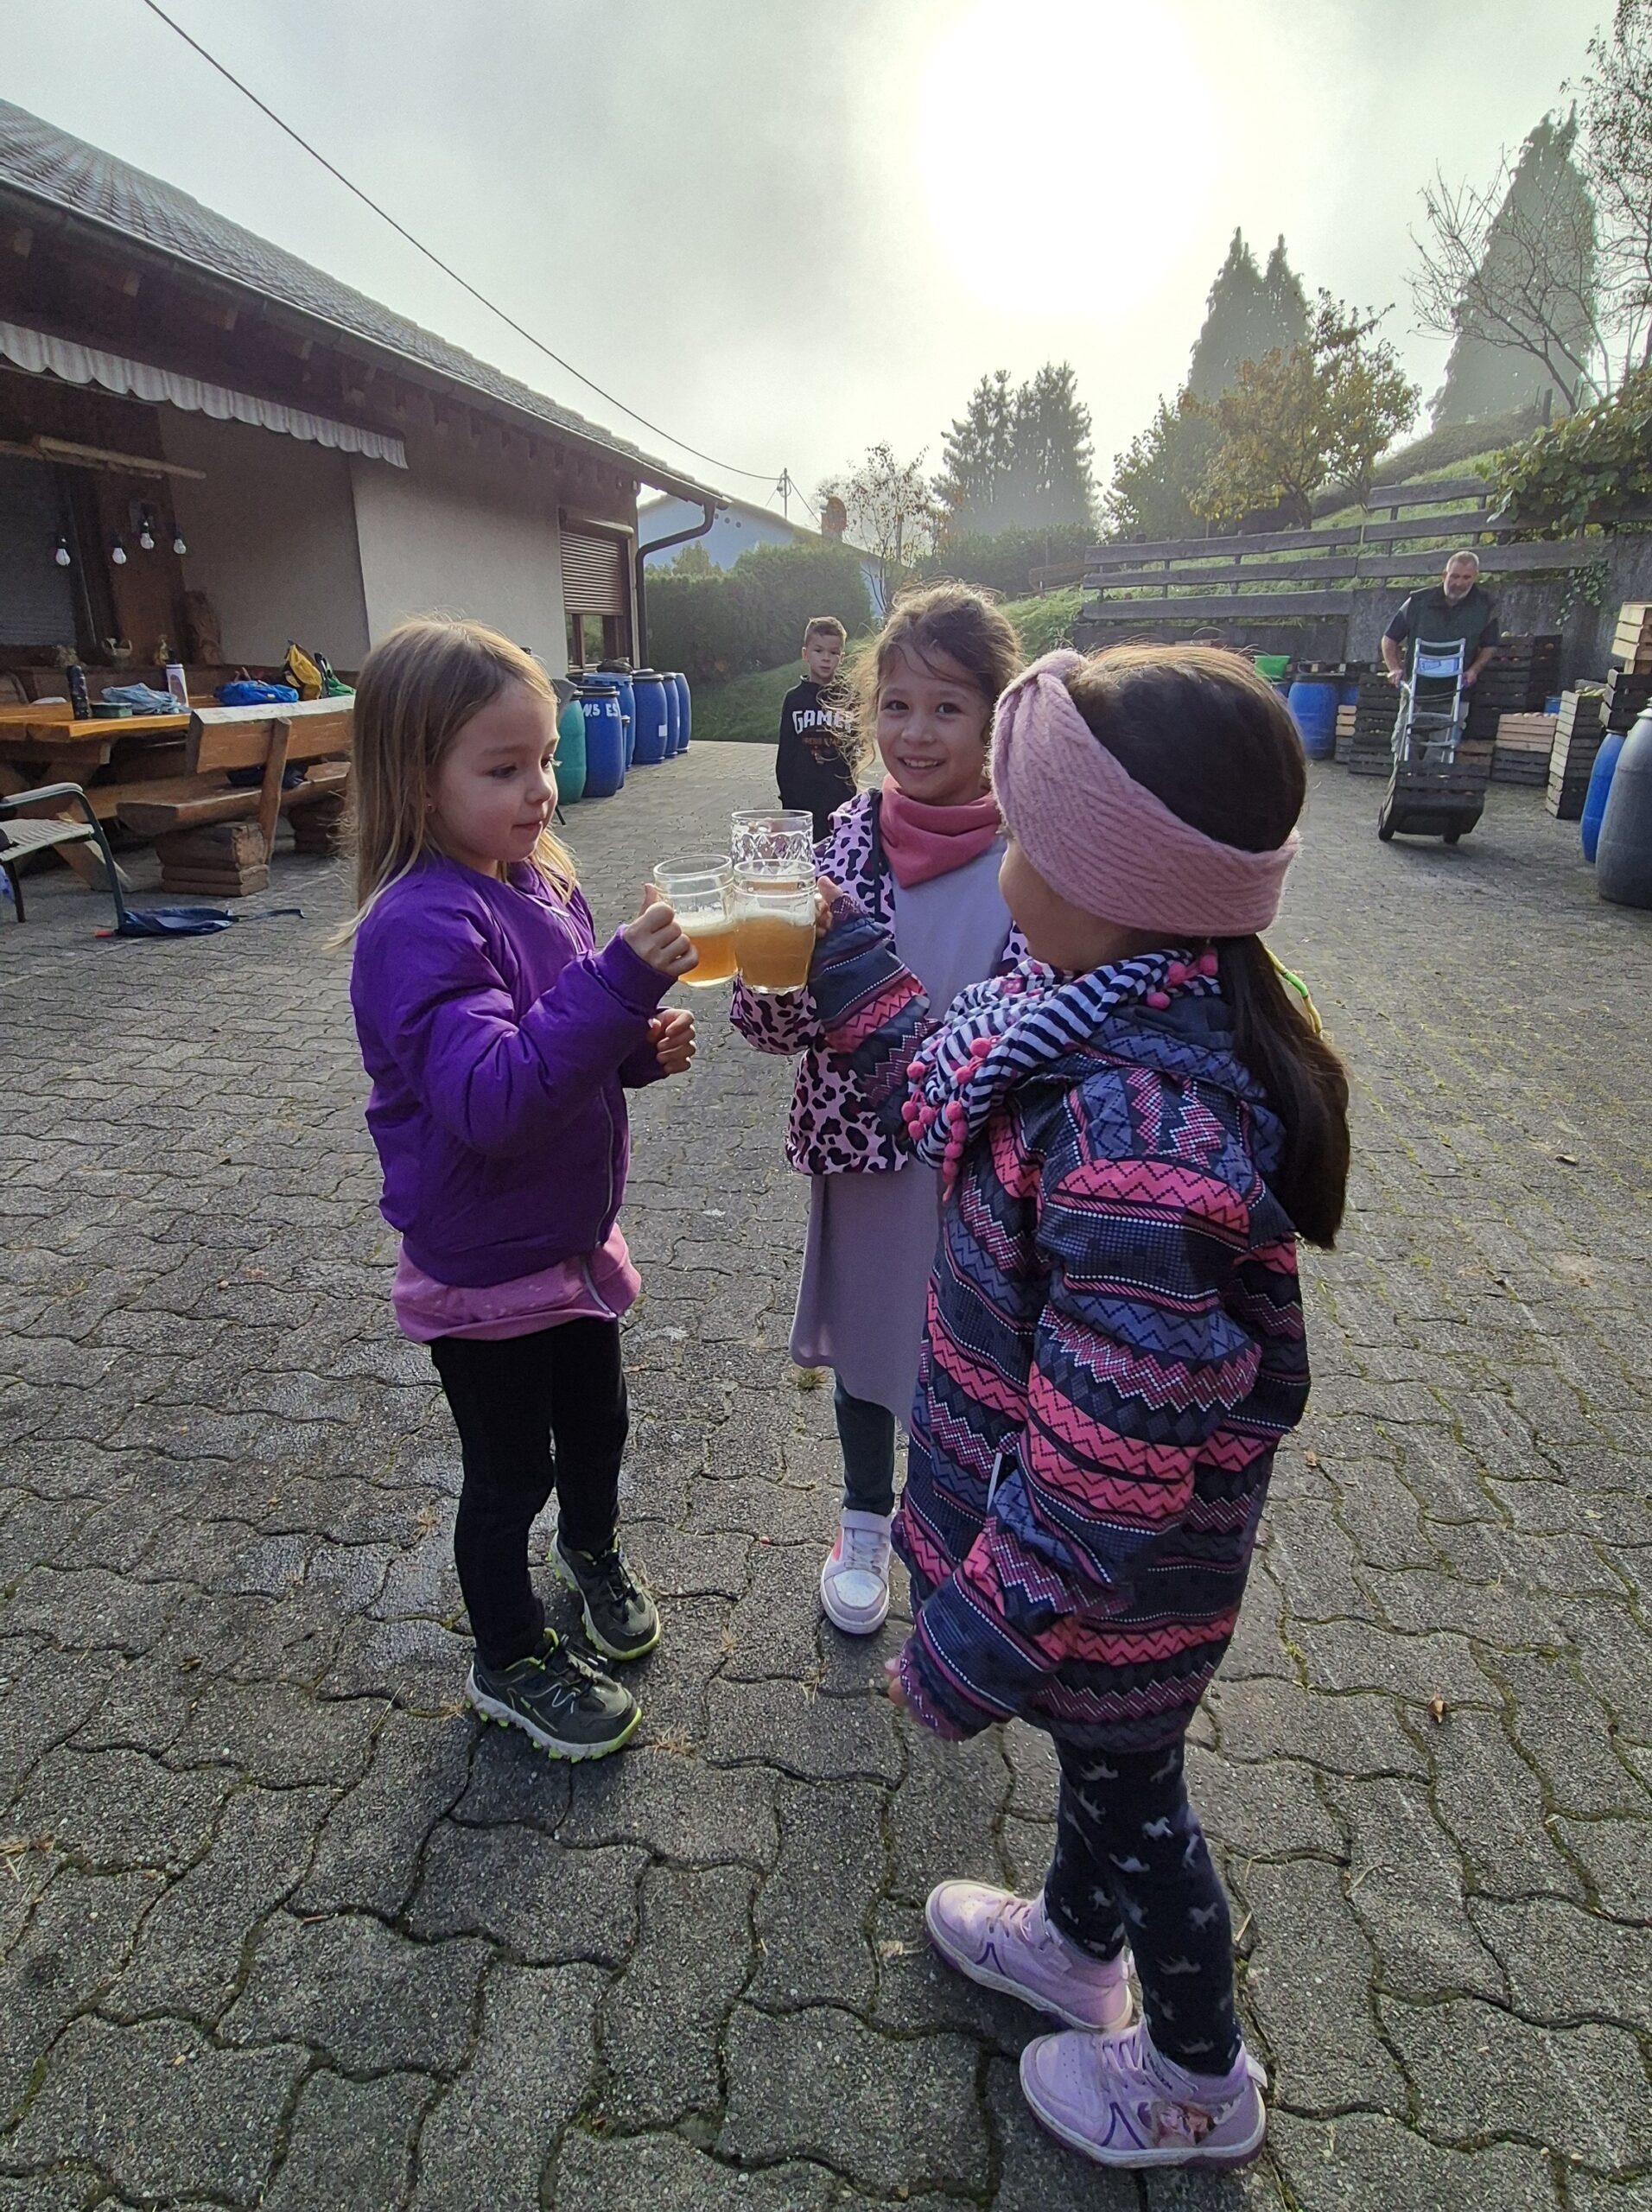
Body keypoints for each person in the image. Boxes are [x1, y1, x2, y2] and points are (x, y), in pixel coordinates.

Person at [805, 644, 1351, 2171]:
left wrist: (977, 1638)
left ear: (1106, 875)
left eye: (1026, 830)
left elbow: (1105, 1466)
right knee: (1108, 1773)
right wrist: (841, 954)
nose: (1003, 850)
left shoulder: (1136, 1133)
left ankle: (1196, 2082)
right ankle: (1069, 1944)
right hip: (1091, 1596)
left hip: (1107, 1587)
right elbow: (936, 1071)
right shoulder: (1082, 1006)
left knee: (1137, 1803)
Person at [344, 618, 699, 1761]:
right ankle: (505, 1655)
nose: (541, 788)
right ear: (418, 780)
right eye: (503, 768)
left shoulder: (538, 885)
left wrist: (634, 1048)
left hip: (568, 1242)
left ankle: (590, 1550)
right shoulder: (417, 925)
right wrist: (620, 982)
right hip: (485, 1265)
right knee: (509, 1477)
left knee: (596, 1426)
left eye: (544, 757)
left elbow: (557, 1041)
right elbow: (494, 1098)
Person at [733, 584, 1025, 1635]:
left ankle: (969, 1533)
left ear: (995, 720)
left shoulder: (1035, 856)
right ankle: (863, 1519)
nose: (915, 732)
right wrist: (761, 968)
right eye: (895, 705)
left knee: (974, 1350)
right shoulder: (843, 841)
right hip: (864, 1153)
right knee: (867, 1339)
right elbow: (772, 1028)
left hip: (985, 1165)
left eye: (947, 708)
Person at [777, 615, 857, 839]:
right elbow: (786, 753)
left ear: (841, 657)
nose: (826, 658)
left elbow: (855, 749)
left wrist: (851, 792)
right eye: (818, 651)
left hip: (840, 799)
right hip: (802, 800)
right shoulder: (794, 700)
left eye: (833, 652)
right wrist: (788, 798)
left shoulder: (850, 698)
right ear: (805, 654)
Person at [1381, 550, 1500, 690]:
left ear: (1475, 577)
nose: (1459, 583)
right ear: (1444, 575)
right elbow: (1389, 638)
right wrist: (1394, 669)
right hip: (1416, 687)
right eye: (1454, 576)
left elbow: (1490, 645)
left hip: (1459, 688)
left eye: (1466, 578)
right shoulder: (1417, 602)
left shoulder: (1485, 606)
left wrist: (1474, 670)